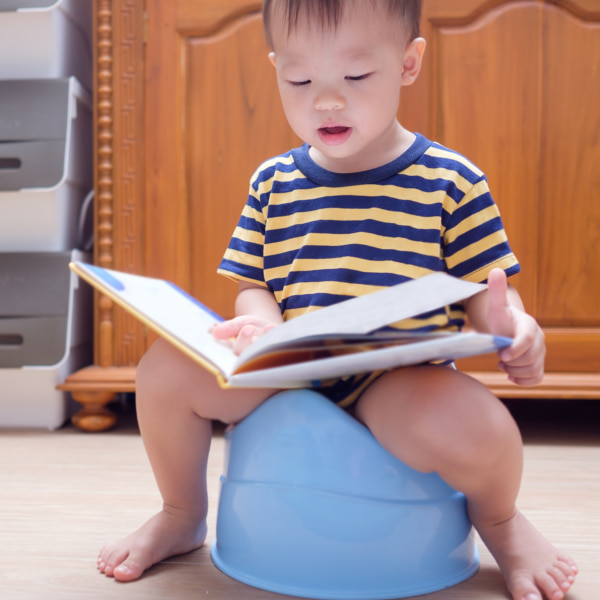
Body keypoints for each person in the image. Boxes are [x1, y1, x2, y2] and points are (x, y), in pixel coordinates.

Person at [97, 1, 578, 599]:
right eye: (299, 80)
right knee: (165, 369)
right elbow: (255, 283)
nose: (326, 101)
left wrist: (514, 328)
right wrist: (260, 327)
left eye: (355, 77)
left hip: (399, 379)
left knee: (484, 426)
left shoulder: (452, 181)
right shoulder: (273, 182)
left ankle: (502, 523)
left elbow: (484, 293)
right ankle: (180, 512)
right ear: (275, 69)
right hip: (290, 368)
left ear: (407, 64)